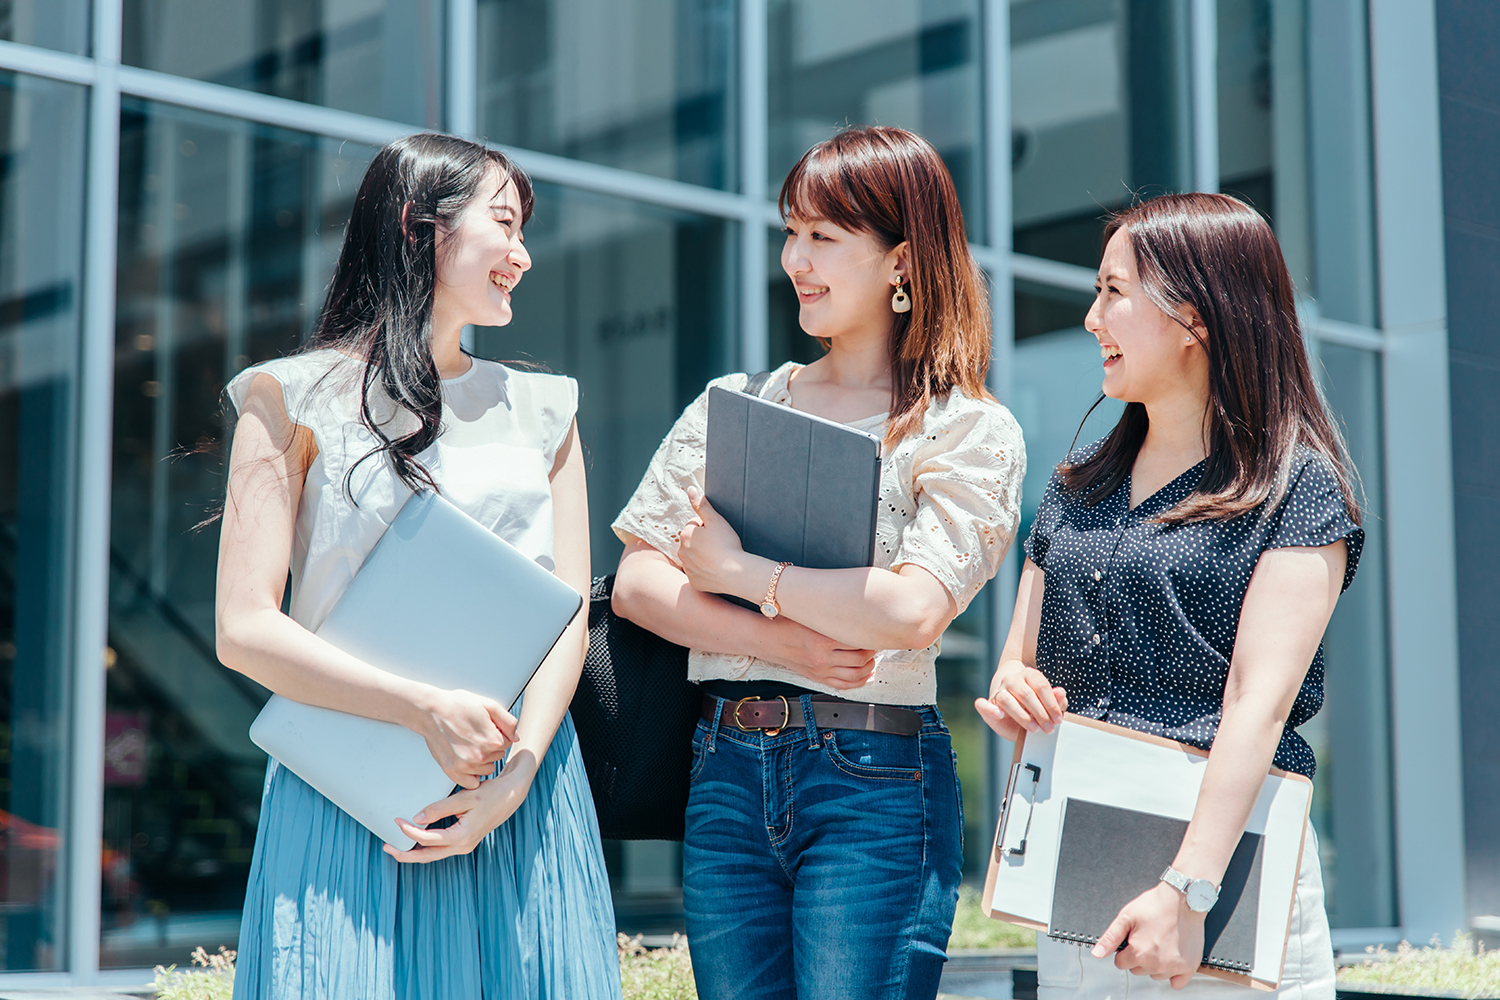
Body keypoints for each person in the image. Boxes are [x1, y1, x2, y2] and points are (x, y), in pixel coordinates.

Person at [610, 125, 1025, 999]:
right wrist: (794, 643)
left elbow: (912, 611)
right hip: (724, 770)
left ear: (902, 261)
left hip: (873, 782)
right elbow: (643, 584)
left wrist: (736, 573)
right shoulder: (734, 403)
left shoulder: (964, 429)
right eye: (792, 232)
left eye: (824, 238)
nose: (797, 259)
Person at [215, 133, 620, 1000]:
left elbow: (566, 617)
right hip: (347, 796)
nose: (524, 254)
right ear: (418, 224)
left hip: (520, 799)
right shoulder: (287, 396)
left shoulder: (546, 409)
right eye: (505, 225)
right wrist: (423, 709)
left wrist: (512, 785)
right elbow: (244, 629)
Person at [977, 192, 1361, 997]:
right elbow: (1018, 663)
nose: (1092, 319)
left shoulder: (1296, 491)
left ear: (1197, 316)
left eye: (1113, 291)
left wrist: (1189, 891)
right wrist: (1015, 690)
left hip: (1221, 884)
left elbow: (1257, 704)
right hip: (1076, 873)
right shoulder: (1076, 483)